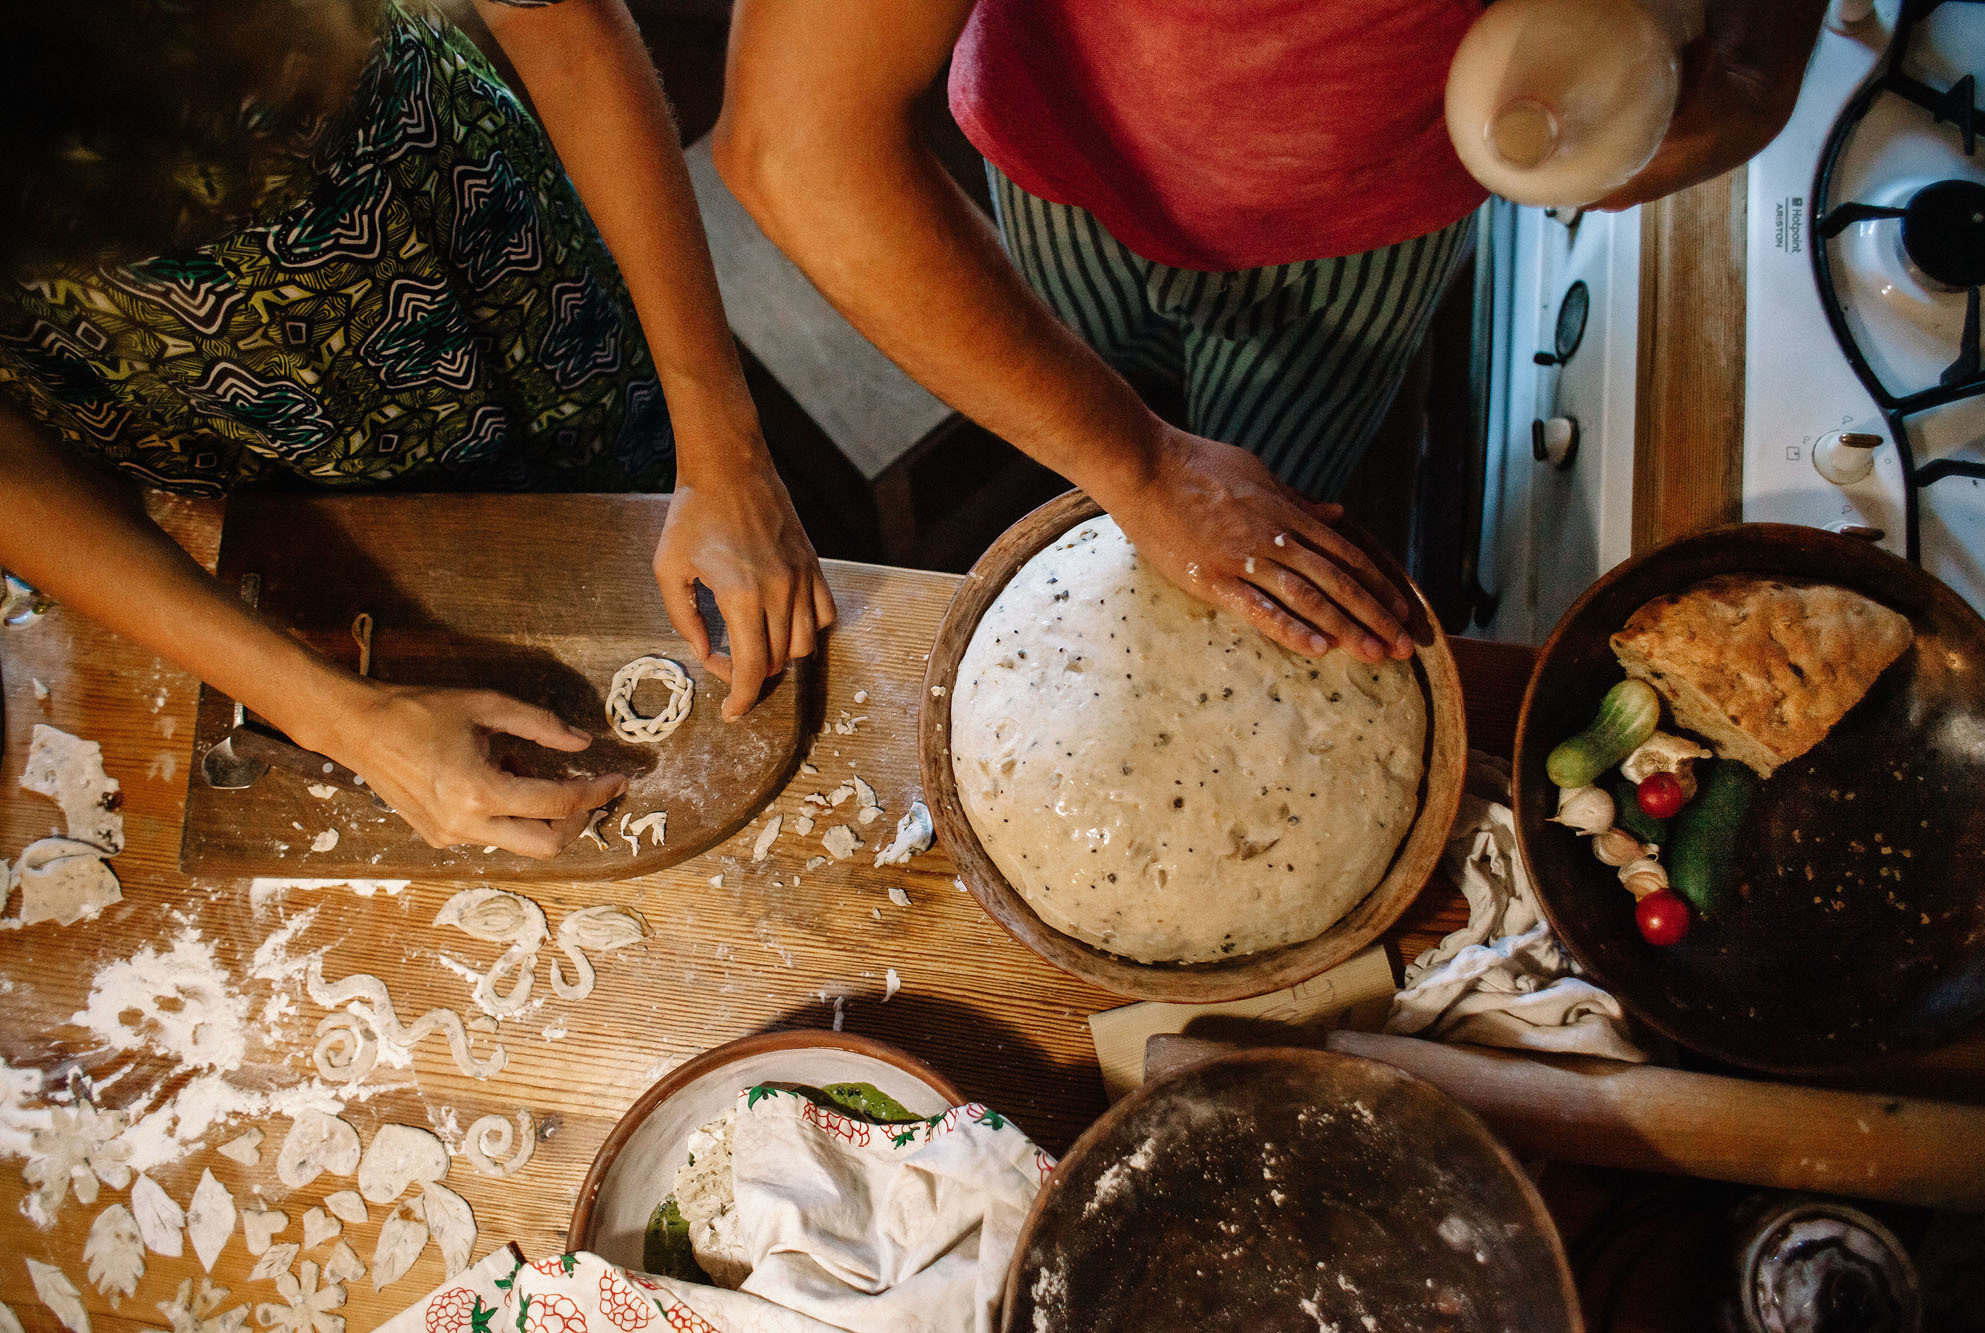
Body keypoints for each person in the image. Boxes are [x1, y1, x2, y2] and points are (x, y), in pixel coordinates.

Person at [711, 0, 1820, 663]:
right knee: (1111, 471)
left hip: (1367, 233)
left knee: (1274, 514)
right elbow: (792, 149)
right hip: (1070, 180)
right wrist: (1136, 462)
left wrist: (1747, 58)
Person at [0, 0, 833, 856]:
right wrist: (340, 717)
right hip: (203, 430)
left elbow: (566, 36)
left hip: (490, 271)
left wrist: (722, 451)